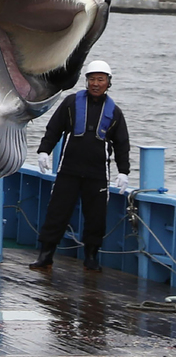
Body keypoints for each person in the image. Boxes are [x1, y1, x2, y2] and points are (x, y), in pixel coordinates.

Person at [29, 59, 130, 272]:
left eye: (100, 79)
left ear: (108, 82)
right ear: (86, 81)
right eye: (92, 79)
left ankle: (91, 257)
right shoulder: (71, 103)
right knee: (57, 212)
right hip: (68, 170)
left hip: (97, 174)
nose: (96, 83)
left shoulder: (115, 112)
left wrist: (123, 171)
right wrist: (43, 151)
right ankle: (46, 255)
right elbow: (53, 129)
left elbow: (122, 144)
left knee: (96, 217)